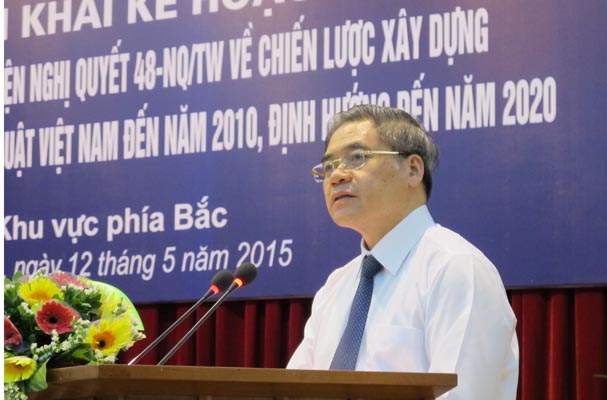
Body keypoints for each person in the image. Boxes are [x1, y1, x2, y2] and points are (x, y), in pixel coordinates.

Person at [287, 105, 519, 399]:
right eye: (329, 166)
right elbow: (293, 391)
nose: (336, 176)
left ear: (413, 169)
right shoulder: (335, 288)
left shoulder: (456, 268)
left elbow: (462, 394)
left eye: (357, 158)